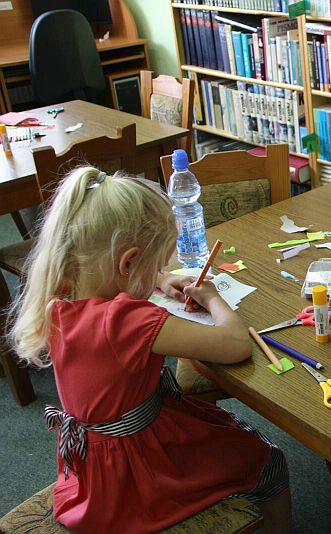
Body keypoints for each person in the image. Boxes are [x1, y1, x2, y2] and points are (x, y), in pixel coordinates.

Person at [8, 167, 292, 532]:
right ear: (127, 262)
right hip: (138, 473)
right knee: (269, 461)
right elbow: (237, 344)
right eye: (157, 264)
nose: (160, 272)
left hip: (93, 463)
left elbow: (121, 276)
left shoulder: (59, 293)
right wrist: (212, 297)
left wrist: (158, 277)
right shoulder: (126, 320)